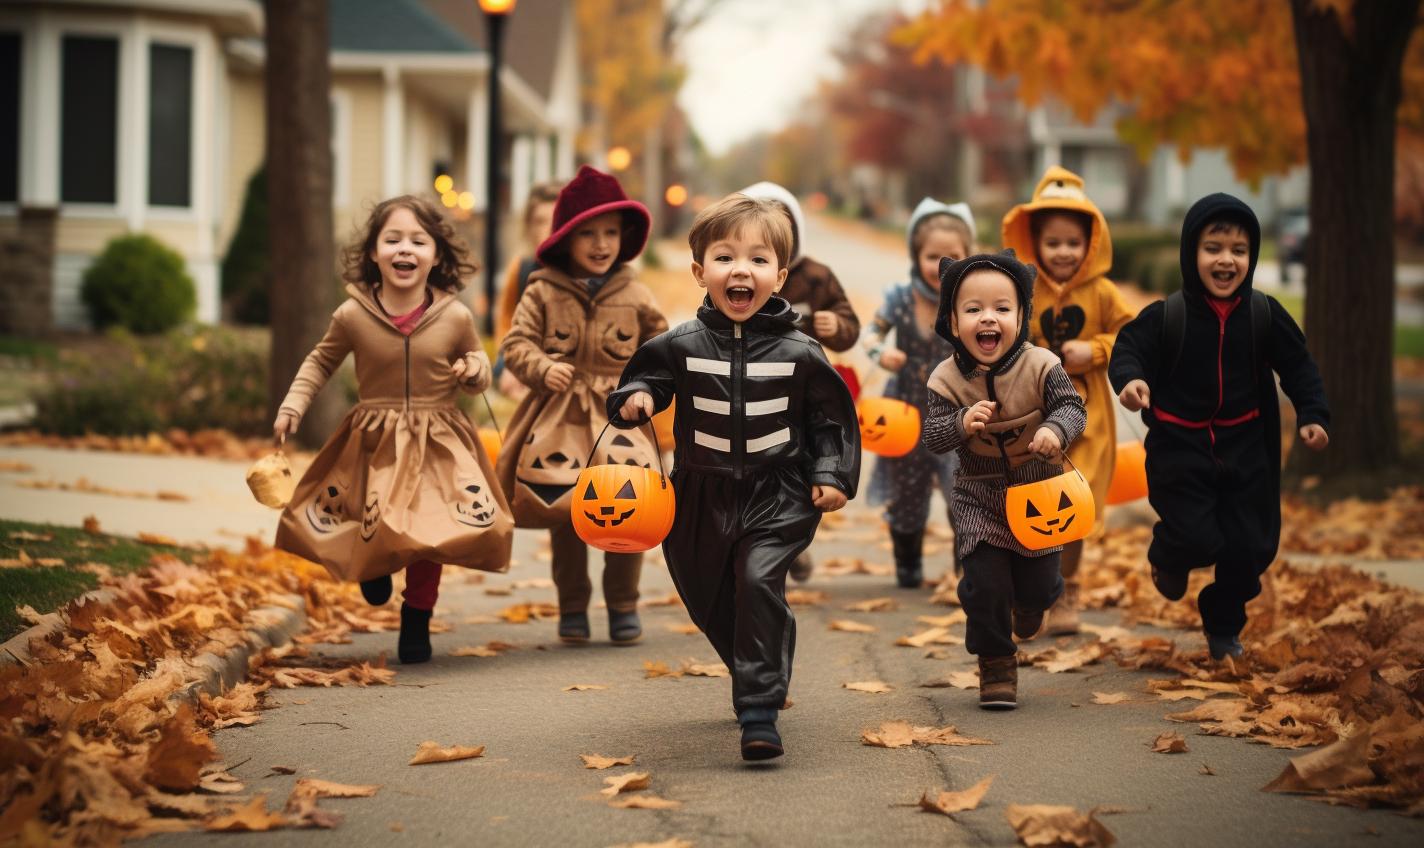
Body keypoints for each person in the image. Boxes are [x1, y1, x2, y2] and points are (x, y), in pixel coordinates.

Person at [608, 194, 860, 760]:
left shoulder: (801, 352)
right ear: (700, 272)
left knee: (757, 579)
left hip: (779, 492)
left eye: (758, 259)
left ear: (780, 276)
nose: (740, 269)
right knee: (706, 595)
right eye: (724, 257)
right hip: (700, 492)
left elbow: (832, 418)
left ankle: (758, 711)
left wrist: (832, 472)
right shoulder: (680, 345)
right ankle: (766, 647)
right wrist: (638, 396)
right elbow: (641, 379)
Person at [273, 195, 514, 664]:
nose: (405, 248)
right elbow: (321, 360)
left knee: (431, 532)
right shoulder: (352, 315)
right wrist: (293, 403)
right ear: (373, 253)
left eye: (418, 240)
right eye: (393, 239)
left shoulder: (456, 315)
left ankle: (418, 615)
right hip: (373, 436)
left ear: (436, 255)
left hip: (437, 436)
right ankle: (373, 568)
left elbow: (480, 365)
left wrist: (472, 370)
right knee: (374, 518)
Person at [1109, 194, 1329, 661]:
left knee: (1249, 548)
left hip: (1245, 445)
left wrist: (1313, 414)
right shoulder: (1170, 314)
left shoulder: (1264, 315)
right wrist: (1130, 381)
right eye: (1213, 247)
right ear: (1192, 253)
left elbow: (1300, 367)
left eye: (1239, 250)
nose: (1226, 259)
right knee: (1197, 538)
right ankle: (1168, 557)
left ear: (1251, 257)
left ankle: (1224, 625)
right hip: (1179, 447)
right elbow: (1128, 347)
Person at [498, 166, 669, 646]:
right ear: (566, 238)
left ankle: (622, 604)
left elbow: (663, 348)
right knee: (568, 510)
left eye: (611, 233)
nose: (601, 244)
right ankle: (572, 605)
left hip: (622, 417)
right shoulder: (543, 289)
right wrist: (539, 367)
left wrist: (646, 386)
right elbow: (516, 343)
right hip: (561, 417)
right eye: (588, 233)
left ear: (624, 237)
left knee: (629, 506)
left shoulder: (636, 295)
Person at [922, 249, 1086, 710]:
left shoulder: (1042, 365)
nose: (987, 319)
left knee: (1036, 583)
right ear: (953, 323)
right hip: (980, 495)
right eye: (973, 310)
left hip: (1039, 492)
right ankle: (995, 661)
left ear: (1021, 316)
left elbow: (1073, 408)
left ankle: (1037, 599)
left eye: (1001, 308)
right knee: (985, 581)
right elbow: (931, 436)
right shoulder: (945, 379)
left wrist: (1056, 430)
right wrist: (959, 424)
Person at [1001, 167, 1136, 636]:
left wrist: (1095, 350)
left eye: (1073, 243)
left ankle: (1068, 589)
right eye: (1053, 243)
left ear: (1091, 244)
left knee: (1073, 504)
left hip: (1088, 417)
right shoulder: (1022, 290)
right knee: (1029, 497)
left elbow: (1132, 335)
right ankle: (1032, 588)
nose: (1063, 252)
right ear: (1034, 242)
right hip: (1030, 413)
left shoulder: (1102, 292)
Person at [740, 181, 861, 581]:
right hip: (753, 391)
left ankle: (793, 540)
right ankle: (767, 544)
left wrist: (838, 325)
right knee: (759, 471)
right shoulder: (742, 274)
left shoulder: (815, 277)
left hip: (804, 392)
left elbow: (850, 324)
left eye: (782, 228)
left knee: (805, 471)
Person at [863, 198, 974, 588]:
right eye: (931, 255)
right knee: (908, 496)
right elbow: (870, 334)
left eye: (953, 255)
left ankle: (970, 566)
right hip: (904, 414)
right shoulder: (899, 298)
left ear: (967, 255)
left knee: (964, 492)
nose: (941, 264)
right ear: (915, 254)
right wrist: (882, 353)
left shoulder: (971, 302)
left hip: (959, 416)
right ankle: (907, 561)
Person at [494, 180, 563, 402]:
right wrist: (508, 364)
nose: (549, 229)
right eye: (540, 221)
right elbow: (507, 320)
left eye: (556, 219)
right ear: (529, 227)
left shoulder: (587, 271)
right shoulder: (522, 268)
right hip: (527, 355)